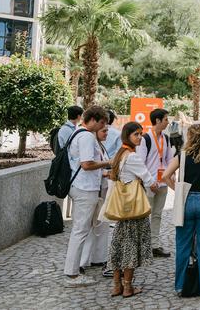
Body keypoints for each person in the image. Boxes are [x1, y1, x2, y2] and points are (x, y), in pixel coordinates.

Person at [163, 123, 200, 296]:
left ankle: (180, 285)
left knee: (183, 245)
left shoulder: (182, 155)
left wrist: (177, 189)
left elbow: (166, 176)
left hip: (187, 200)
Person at [107, 122, 157, 298]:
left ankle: (116, 286)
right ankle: (127, 287)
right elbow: (148, 178)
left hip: (122, 209)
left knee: (119, 247)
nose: (140, 137)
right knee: (131, 248)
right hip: (134, 208)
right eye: (136, 134)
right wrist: (155, 186)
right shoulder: (132, 157)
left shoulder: (120, 154)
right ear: (127, 135)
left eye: (141, 134)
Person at [63, 106, 110, 287]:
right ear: (94, 120)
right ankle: (72, 274)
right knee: (80, 230)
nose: (102, 127)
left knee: (80, 229)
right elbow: (87, 164)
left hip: (81, 187)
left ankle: (73, 271)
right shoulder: (86, 137)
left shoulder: (78, 133)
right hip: (85, 188)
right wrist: (108, 163)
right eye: (101, 123)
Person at [137, 108, 174, 258]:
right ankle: (143, 246)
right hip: (149, 183)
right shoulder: (145, 138)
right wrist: (149, 180)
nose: (168, 122)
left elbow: (169, 159)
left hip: (162, 183)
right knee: (145, 215)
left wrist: (170, 173)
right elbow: (140, 163)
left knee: (157, 214)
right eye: (166, 119)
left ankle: (154, 245)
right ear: (157, 120)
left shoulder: (166, 138)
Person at [80, 125, 113, 275]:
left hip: (102, 190)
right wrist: (106, 172)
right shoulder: (91, 144)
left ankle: (97, 257)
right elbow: (90, 167)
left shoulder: (101, 147)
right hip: (95, 190)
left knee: (100, 226)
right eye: (104, 131)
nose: (106, 133)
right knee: (89, 226)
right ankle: (83, 261)